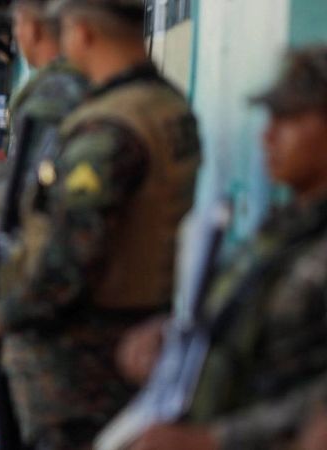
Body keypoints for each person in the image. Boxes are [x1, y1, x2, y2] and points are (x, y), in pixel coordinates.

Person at [0, 0, 201, 448]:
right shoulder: (166, 106)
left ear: (83, 32)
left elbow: (70, 254)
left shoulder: (110, 127)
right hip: (130, 334)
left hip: (80, 360)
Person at [107, 46, 327, 450]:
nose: (268, 134)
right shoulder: (283, 228)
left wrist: (212, 439)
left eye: (290, 118)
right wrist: (172, 339)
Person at [0, 0, 87, 216]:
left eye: (16, 25)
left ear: (32, 29)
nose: (17, 36)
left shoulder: (52, 94)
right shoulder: (79, 80)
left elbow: (33, 196)